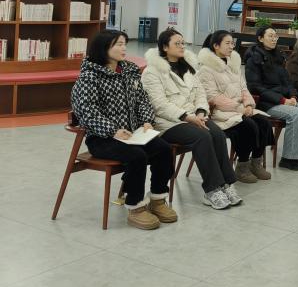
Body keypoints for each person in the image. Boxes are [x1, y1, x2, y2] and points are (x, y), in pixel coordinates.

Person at [71, 30, 177, 230]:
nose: (124, 48)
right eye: (118, 44)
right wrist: (113, 130)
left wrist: (146, 121)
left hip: (133, 134)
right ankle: (135, 206)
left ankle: (157, 199)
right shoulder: (89, 77)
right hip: (102, 138)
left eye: (124, 44)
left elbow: (142, 100)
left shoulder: (129, 71)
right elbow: (86, 111)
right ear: (104, 48)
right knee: (136, 156)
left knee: (163, 149)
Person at [142, 28, 241, 210]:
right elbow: (159, 104)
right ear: (165, 47)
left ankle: (226, 184)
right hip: (169, 123)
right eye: (177, 43)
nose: (182, 46)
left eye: (183, 43)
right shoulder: (152, 72)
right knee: (202, 136)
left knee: (217, 134)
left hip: (195, 117)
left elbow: (200, 94)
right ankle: (212, 189)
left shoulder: (188, 67)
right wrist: (187, 117)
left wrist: (201, 112)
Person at [198, 30, 272, 183]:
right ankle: (242, 166)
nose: (232, 46)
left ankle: (255, 163)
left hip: (241, 109)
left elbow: (244, 89)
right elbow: (213, 98)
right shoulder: (206, 69)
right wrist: (240, 109)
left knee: (264, 122)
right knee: (248, 126)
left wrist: (249, 105)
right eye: (228, 43)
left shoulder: (233, 65)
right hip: (220, 113)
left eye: (232, 43)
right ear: (216, 46)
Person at [243, 26, 298, 170]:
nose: (274, 39)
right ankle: (288, 158)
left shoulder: (278, 56)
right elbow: (255, 87)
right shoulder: (254, 58)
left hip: (284, 99)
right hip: (266, 103)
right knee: (296, 114)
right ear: (260, 38)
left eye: (275, 36)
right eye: (270, 36)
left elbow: (288, 81)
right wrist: (282, 100)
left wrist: (293, 95)